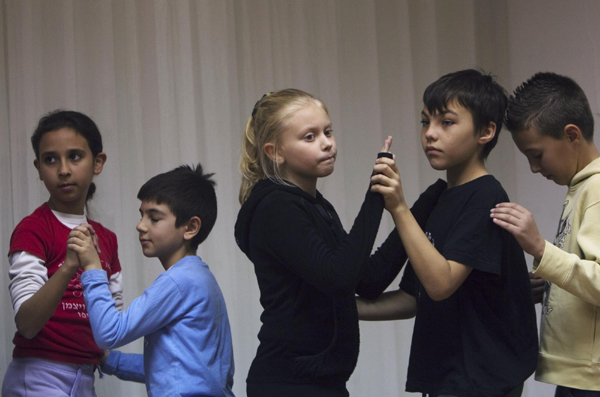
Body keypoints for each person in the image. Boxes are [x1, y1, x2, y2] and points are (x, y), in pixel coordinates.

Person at [234, 88, 445, 397]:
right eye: (310, 137)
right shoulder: (276, 208)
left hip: (323, 383)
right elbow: (339, 279)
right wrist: (376, 197)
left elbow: (369, 280)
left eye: (328, 131)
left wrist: (420, 204)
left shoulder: (314, 204)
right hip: (288, 385)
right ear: (275, 152)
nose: (327, 142)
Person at [358, 69, 538, 397]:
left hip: (482, 379)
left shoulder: (486, 195)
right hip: (447, 376)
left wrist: (398, 207)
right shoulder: (437, 198)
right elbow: (414, 296)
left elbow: (441, 284)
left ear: (486, 131)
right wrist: (338, 309)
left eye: (447, 122)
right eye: (426, 122)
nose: (430, 134)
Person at [69, 164, 235, 397]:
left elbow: (109, 333)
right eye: (141, 214)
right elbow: (173, 369)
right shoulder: (200, 278)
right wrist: (108, 359)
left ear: (190, 227)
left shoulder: (179, 282)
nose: (140, 225)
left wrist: (92, 266)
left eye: (154, 218)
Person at [491, 72, 600, 397]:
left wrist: (540, 249)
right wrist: (550, 283)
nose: (534, 168)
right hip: (577, 377)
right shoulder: (581, 188)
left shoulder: (596, 190)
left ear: (571, 135)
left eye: (537, 155)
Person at [2, 110, 122, 397]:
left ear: (98, 162)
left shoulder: (107, 239)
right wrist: (69, 266)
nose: (64, 169)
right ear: (38, 167)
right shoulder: (32, 229)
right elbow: (27, 324)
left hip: (85, 378)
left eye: (75, 156)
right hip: (37, 376)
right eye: (50, 159)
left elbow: (111, 326)